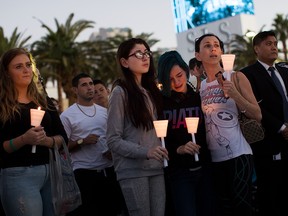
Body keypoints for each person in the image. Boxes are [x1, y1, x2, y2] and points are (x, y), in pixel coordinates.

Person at [195, 33, 262, 216]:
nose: (213, 48)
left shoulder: (236, 77)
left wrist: (235, 95)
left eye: (216, 45)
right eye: (207, 45)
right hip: (214, 159)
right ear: (198, 55)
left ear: (222, 51)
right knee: (224, 209)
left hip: (239, 153)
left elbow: (257, 114)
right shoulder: (200, 88)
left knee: (243, 208)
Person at [0, 48, 68, 216]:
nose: (26, 70)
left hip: (50, 173)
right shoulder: (2, 106)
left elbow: (63, 138)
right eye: (18, 67)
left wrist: (46, 141)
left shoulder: (44, 101)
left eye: (28, 65)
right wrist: (24, 139)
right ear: (7, 73)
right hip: (18, 175)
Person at [106, 38, 169, 216]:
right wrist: (146, 151)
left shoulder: (151, 92)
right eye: (138, 54)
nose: (145, 57)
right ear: (124, 62)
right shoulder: (120, 92)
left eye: (147, 52)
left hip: (157, 167)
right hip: (132, 171)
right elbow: (113, 139)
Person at [157, 50, 217, 216]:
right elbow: (158, 139)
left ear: (186, 70)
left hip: (205, 167)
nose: (176, 82)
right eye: (170, 79)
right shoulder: (160, 104)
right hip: (178, 172)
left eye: (179, 75)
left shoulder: (199, 97)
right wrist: (179, 149)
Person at [60, 73, 124, 216]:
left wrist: (113, 151)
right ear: (75, 90)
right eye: (84, 85)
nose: (90, 87)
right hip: (84, 175)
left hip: (109, 171)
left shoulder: (105, 112)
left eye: (91, 84)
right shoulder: (67, 116)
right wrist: (82, 141)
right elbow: (61, 148)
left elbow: (116, 137)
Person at [240, 30, 288, 216]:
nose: (274, 46)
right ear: (256, 49)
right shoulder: (247, 74)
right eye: (268, 43)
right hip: (267, 144)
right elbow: (255, 108)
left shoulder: (284, 71)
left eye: (275, 43)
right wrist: (281, 127)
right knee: (270, 194)